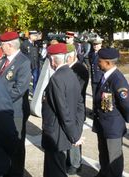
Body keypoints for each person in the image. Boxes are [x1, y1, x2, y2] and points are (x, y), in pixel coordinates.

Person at [42, 43, 85, 177]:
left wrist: (74, 136)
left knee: (54, 171)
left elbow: (63, 111)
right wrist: (77, 131)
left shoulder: (56, 79)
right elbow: (80, 106)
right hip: (62, 133)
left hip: (56, 134)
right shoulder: (72, 74)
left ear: (53, 60)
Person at [0, 31, 31, 177]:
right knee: (4, 144)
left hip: (15, 111)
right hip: (3, 110)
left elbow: (19, 89)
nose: (0, 47)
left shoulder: (23, 62)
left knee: (16, 147)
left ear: (9, 45)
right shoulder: (3, 60)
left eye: (2, 45)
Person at [92, 48, 129, 177]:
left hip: (112, 128)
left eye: (100, 61)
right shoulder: (105, 76)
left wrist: (121, 122)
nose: (98, 63)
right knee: (104, 155)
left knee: (114, 160)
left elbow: (126, 104)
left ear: (107, 63)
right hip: (103, 125)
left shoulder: (117, 79)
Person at [65, 44, 89, 175]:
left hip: (77, 109)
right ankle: (70, 160)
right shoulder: (69, 68)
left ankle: (75, 163)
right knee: (70, 135)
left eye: (66, 56)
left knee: (76, 136)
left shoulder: (80, 69)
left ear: (72, 55)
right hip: (70, 108)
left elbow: (77, 90)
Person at [89, 37, 104, 101]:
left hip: (101, 78)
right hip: (94, 77)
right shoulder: (92, 54)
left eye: (97, 44)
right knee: (94, 95)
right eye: (94, 44)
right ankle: (95, 110)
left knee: (101, 95)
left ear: (101, 45)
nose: (95, 46)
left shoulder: (103, 54)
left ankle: (101, 110)